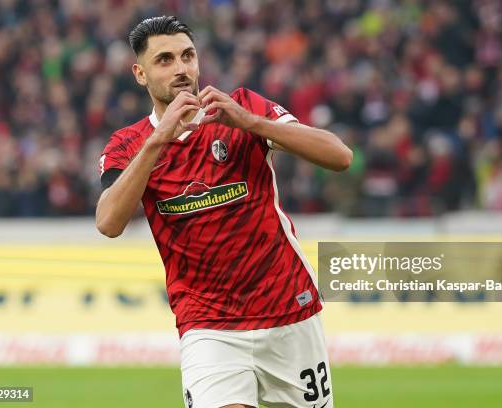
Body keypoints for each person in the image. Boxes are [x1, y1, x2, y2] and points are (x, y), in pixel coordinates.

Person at [96, 16, 351, 408]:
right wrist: (158, 140)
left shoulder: (242, 108)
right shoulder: (128, 144)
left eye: (187, 56)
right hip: (208, 326)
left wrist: (251, 123)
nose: (181, 69)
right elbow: (108, 223)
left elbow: (340, 156)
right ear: (140, 74)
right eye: (165, 60)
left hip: (288, 309)